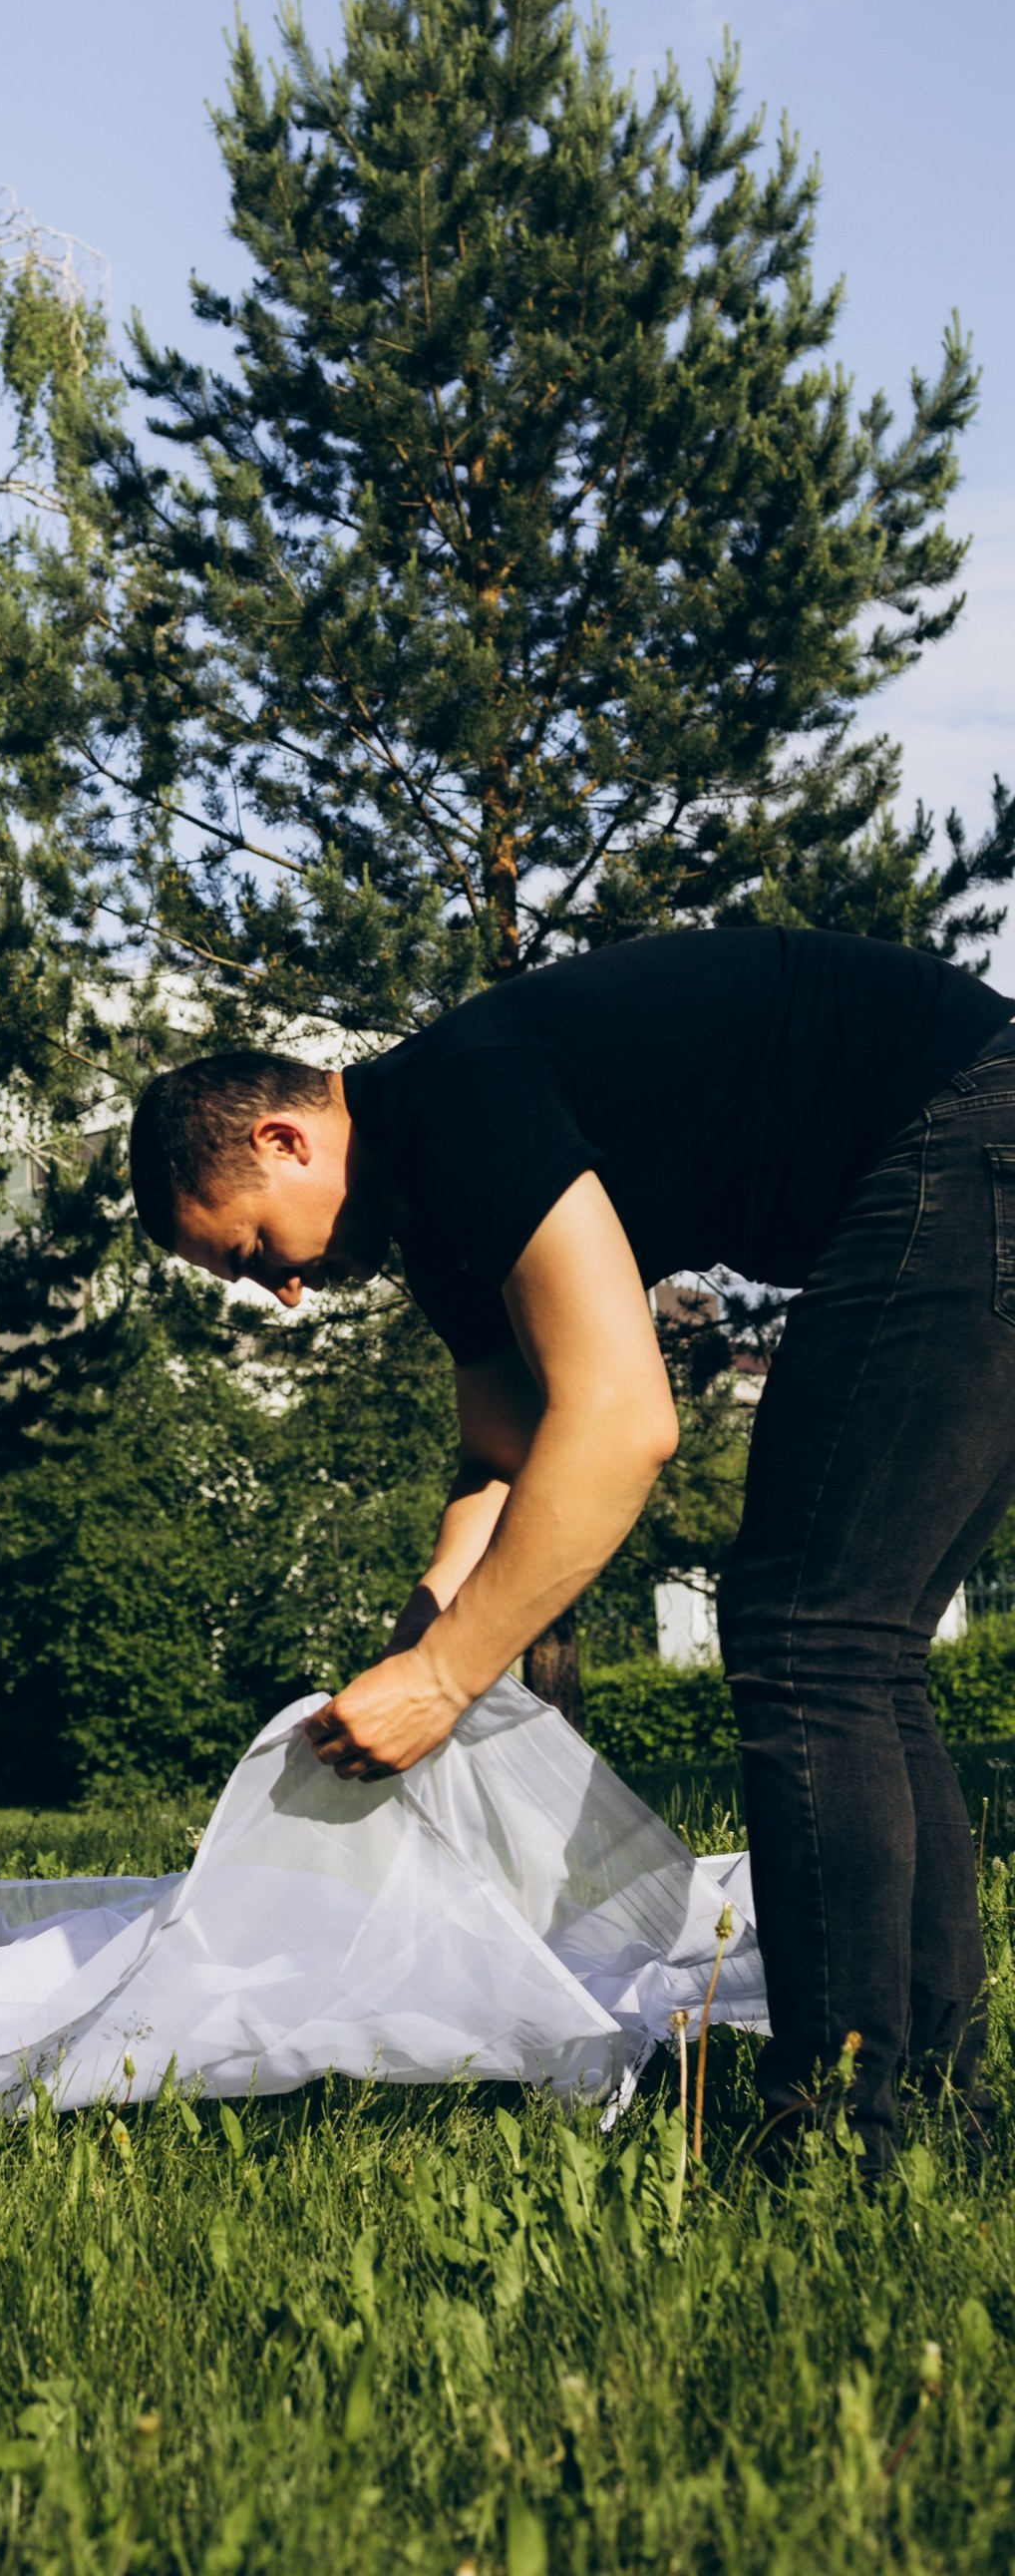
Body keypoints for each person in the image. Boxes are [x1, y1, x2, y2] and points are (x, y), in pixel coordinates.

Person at [128, 925, 1015, 2172]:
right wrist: (420, 1639)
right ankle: (925, 2117)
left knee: (806, 1637)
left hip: (965, 1124)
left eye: (254, 1251)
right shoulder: (439, 1217)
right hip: (973, 1146)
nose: (282, 1290)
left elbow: (620, 1423)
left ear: (282, 1140)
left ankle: (829, 2135)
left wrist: (443, 1682)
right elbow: (504, 1457)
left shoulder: (454, 1101)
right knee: (853, 1649)